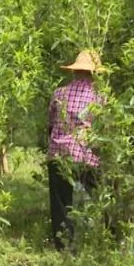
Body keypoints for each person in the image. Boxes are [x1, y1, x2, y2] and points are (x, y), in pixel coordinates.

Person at [46, 49, 105, 251]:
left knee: (61, 202)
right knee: (101, 196)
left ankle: (64, 247)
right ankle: (106, 238)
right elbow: (103, 131)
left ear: (74, 72)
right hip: (86, 156)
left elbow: (50, 124)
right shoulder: (100, 98)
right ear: (95, 74)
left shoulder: (59, 93)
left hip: (58, 154)